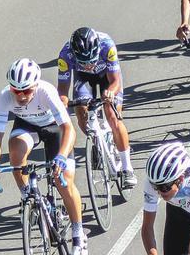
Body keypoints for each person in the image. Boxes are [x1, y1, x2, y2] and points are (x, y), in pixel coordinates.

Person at [0, 58, 88, 255]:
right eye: (16, 91)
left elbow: (68, 129)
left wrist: (61, 156)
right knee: (15, 154)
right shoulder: (5, 96)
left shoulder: (46, 91)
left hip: (55, 128)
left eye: (26, 91)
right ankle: (28, 197)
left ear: (36, 85)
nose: (21, 96)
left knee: (64, 182)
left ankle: (79, 235)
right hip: (28, 126)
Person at [56, 27, 137, 189]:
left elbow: (115, 81)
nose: (88, 65)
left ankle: (127, 168)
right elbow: (62, 90)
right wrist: (63, 102)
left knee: (112, 116)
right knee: (81, 112)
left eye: (91, 60)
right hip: (83, 79)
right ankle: (96, 142)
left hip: (107, 76)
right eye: (83, 62)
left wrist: (111, 92)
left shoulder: (107, 46)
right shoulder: (65, 55)